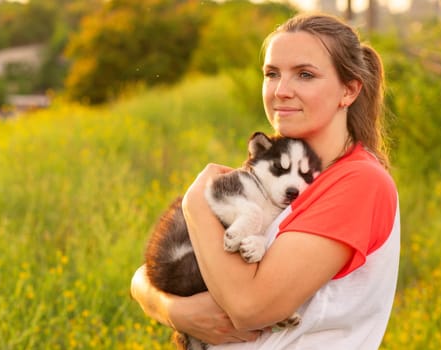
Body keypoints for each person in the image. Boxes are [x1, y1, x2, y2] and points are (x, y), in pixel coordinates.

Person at [130, 13, 400, 349]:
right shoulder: (278, 175)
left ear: (349, 90)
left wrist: (196, 202)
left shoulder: (358, 182)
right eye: (272, 74)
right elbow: (155, 269)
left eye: (305, 74)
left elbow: (249, 307)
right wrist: (172, 309)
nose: (281, 91)